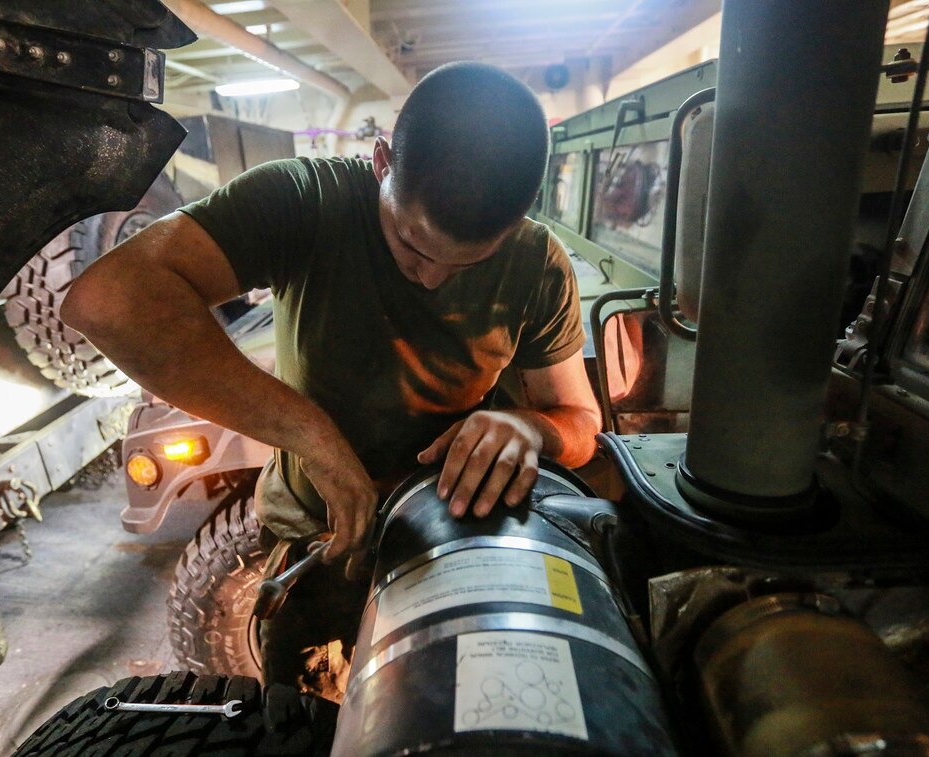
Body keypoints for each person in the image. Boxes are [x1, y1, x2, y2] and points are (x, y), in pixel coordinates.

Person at [61, 62, 601, 689]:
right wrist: (311, 436)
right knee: (307, 716)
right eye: (414, 246)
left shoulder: (537, 262)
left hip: (451, 533)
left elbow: (581, 422)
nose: (432, 279)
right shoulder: (306, 202)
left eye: (466, 263)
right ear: (380, 162)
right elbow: (109, 300)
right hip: (323, 542)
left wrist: (528, 427)